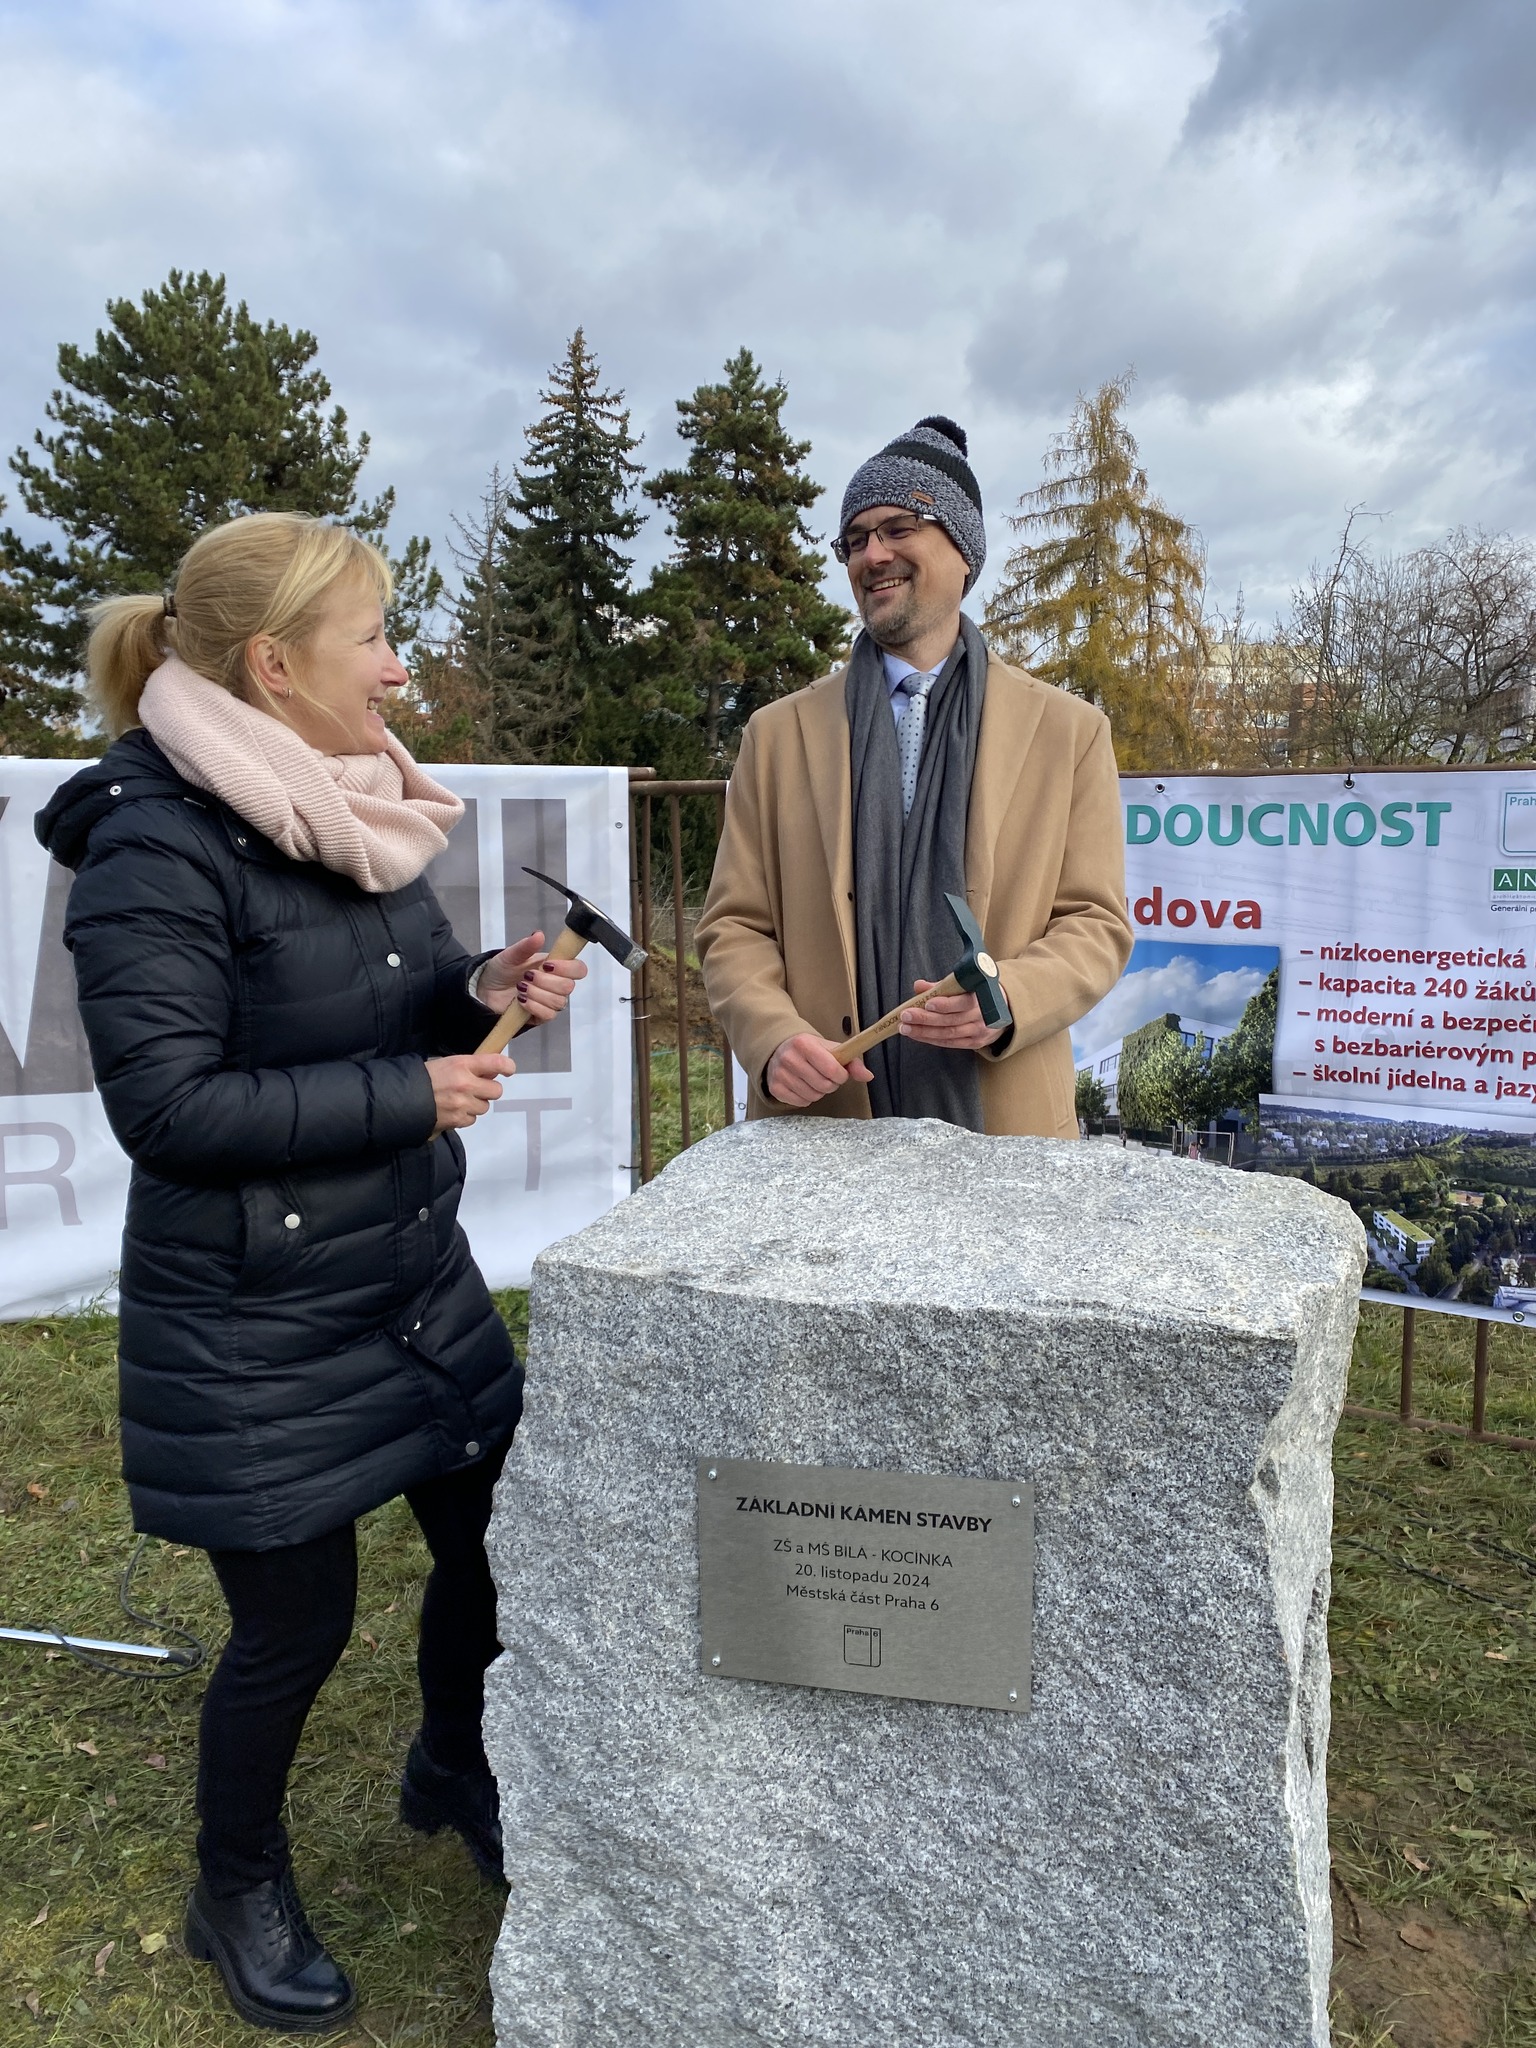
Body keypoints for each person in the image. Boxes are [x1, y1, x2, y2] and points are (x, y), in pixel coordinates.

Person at [36, 512, 584, 2034]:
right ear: (274, 667)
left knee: (495, 1546)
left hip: (408, 1275)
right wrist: (412, 1094)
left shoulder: (347, 800)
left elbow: (392, 988)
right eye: (376, 642)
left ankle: (453, 1764)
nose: (401, 671)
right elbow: (170, 1107)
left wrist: (478, 988)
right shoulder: (152, 838)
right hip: (255, 1313)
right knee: (296, 1626)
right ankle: (236, 1882)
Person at [697, 415, 1132, 1135]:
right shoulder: (776, 737)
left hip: (1005, 1130)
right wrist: (772, 1037)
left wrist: (1008, 998)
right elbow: (734, 926)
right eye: (856, 539)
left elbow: (1096, 924)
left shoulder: (1068, 732)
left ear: (962, 549)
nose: (873, 555)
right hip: (822, 1126)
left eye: (899, 529)